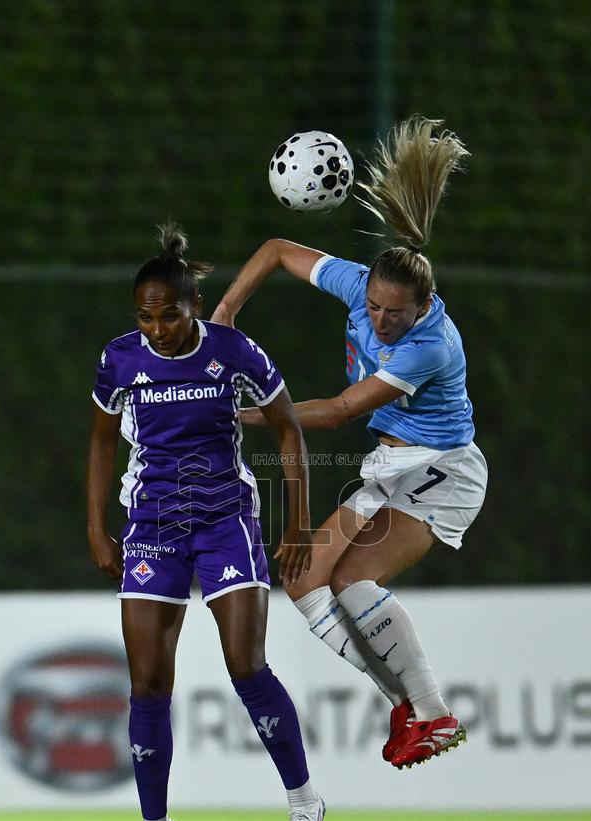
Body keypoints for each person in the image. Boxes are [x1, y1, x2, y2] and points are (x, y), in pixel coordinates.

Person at [211, 116, 488, 771]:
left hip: (442, 472)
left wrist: (253, 413)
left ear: (424, 308)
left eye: (397, 312)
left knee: (357, 578)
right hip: (392, 469)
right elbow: (277, 248)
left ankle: (437, 715)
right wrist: (223, 316)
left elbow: (336, 412)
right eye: (376, 306)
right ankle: (410, 706)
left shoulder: (429, 346)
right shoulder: (360, 289)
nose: (382, 321)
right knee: (305, 577)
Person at [86, 223, 324, 821]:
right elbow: (103, 444)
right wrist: (98, 529)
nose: (157, 328)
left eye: (170, 314)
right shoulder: (120, 361)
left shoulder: (234, 352)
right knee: (147, 684)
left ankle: (304, 800)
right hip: (152, 527)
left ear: (195, 307)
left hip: (225, 523)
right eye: (146, 316)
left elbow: (285, 426)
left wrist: (298, 520)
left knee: (246, 664)